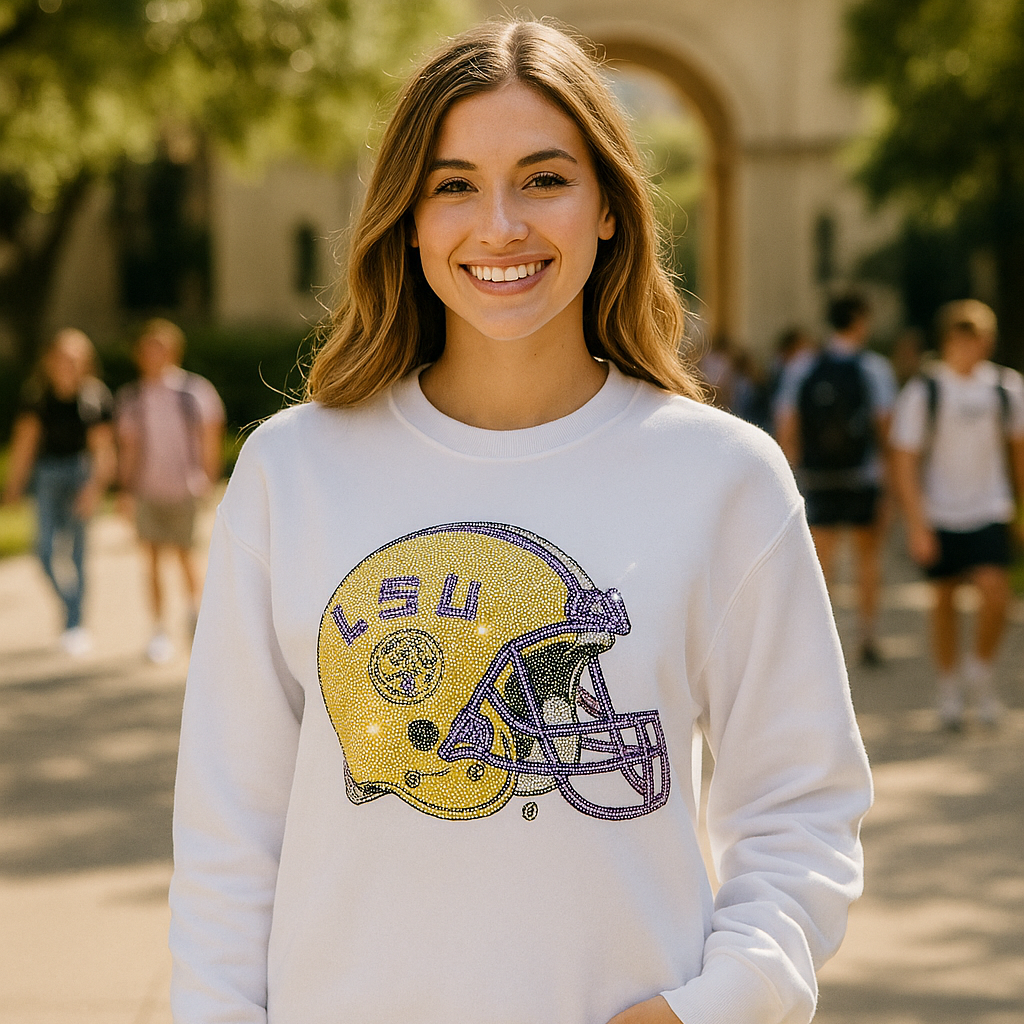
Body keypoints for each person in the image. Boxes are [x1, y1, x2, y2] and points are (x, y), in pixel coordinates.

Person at [169, 20, 872, 1024]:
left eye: (545, 178)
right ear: (408, 219)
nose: (498, 225)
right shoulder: (294, 470)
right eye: (453, 184)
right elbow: (227, 834)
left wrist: (714, 1005)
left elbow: (801, 805)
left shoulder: (723, 478)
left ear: (610, 212)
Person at [891, 300, 1024, 730]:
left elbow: (1018, 455)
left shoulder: (1006, 389)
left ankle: (980, 672)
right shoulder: (925, 391)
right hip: (940, 511)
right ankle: (949, 689)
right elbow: (904, 460)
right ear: (949, 340)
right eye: (965, 338)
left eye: (982, 338)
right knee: (944, 601)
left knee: (995, 594)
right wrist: (917, 522)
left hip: (989, 507)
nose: (974, 347)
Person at [775, 292, 897, 666]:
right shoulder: (874, 369)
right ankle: (867, 636)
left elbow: (786, 424)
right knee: (867, 559)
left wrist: (792, 473)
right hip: (862, 477)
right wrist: (890, 483)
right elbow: (885, 428)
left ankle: (820, 644)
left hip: (818, 478)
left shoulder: (803, 367)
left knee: (820, 562)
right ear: (860, 321)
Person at [115, 318, 225, 663]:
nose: (153, 355)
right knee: (150, 561)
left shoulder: (195, 391)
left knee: (185, 556)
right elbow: (129, 449)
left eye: (159, 348)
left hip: (184, 489)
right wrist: (125, 491)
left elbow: (211, 437)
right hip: (148, 490)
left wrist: (207, 477)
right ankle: (158, 629)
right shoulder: (131, 398)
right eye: (147, 349)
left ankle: (195, 619)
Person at [2, 329, 115, 655]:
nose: (68, 364)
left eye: (75, 357)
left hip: (81, 475)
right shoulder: (37, 396)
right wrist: (13, 489)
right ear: (49, 360)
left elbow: (103, 450)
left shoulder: (94, 396)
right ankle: (70, 606)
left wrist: (93, 490)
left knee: (78, 554)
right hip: (48, 477)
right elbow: (24, 445)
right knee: (44, 551)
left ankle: (76, 624)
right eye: (62, 357)